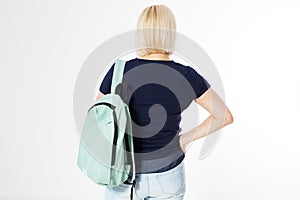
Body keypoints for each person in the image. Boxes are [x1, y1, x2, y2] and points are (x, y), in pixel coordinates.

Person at [95, 4, 233, 200]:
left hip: (122, 175)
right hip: (169, 176)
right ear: (170, 33)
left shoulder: (119, 71)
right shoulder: (187, 75)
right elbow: (223, 116)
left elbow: (96, 118)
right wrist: (184, 140)